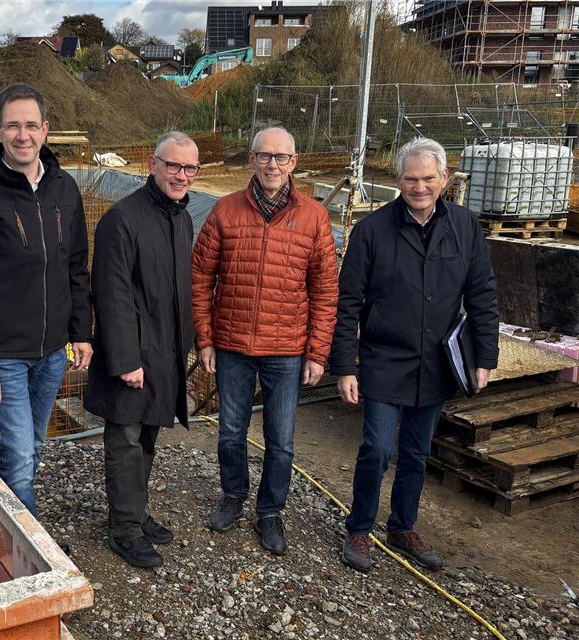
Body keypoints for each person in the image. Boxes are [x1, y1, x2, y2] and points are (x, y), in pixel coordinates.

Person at [330, 137, 498, 573]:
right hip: (385, 359)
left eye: (427, 178)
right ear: (397, 180)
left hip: (437, 362)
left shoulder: (464, 227)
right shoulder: (372, 231)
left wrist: (485, 357)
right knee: (377, 448)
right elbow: (347, 303)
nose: (419, 187)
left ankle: (402, 527)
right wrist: (345, 367)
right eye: (410, 179)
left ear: (444, 178)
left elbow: (482, 294)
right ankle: (359, 528)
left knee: (417, 452)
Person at [0, 83, 92, 525]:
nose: (22, 135)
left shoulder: (64, 189)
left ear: (46, 130)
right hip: (3, 356)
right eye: (13, 126)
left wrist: (81, 332)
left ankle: (1, 526)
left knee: (32, 446)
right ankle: (28, 549)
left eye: (31, 125)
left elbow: (76, 267)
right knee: (21, 453)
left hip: (51, 353)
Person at [191, 127, 339, 556]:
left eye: (281, 157)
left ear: (294, 162)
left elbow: (325, 290)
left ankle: (270, 511)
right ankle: (233, 495)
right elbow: (200, 277)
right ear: (251, 160)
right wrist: (205, 338)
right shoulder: (225, 210)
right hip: (232, 344)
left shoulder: (313, 217)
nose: (272, 165)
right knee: (230, 431)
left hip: (287, 349)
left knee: (282, 440)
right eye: (264, 156)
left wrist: (317, 352)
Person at [85, 131, 199, 569]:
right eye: (173, 165)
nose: (181, 175)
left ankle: (134, 512)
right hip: (133, 355)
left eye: (190, 168)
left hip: (164, 351)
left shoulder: (181, 218)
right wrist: (126, 360)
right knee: (126, 440)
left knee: (148, 433)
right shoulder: (122, 219)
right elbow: (111, 294)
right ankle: (124, 530)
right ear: (153, 165)